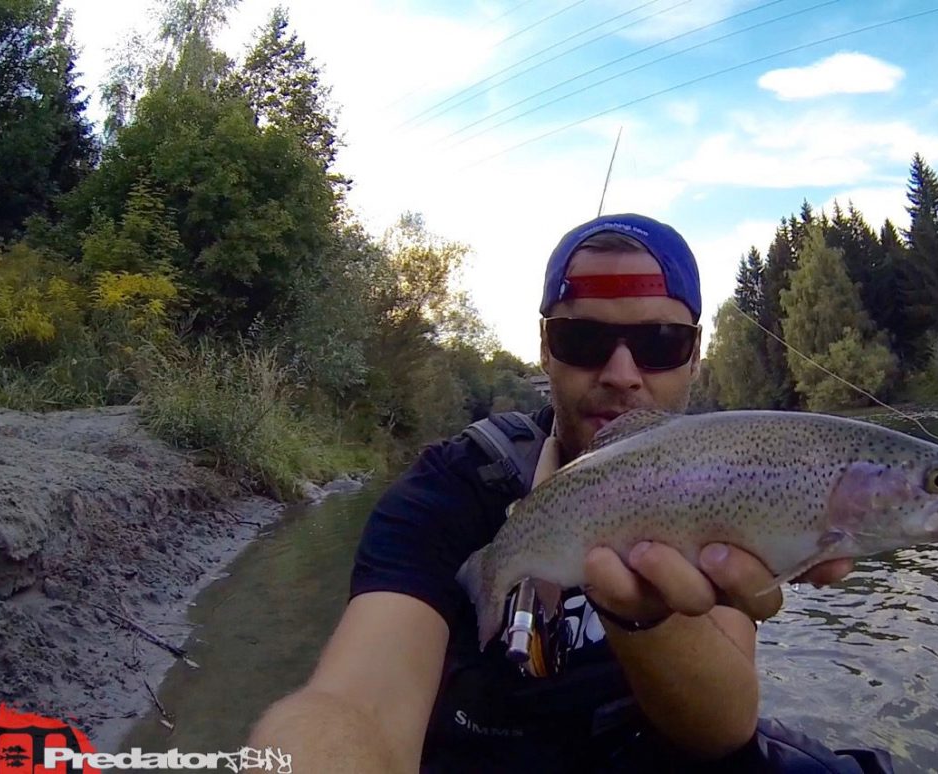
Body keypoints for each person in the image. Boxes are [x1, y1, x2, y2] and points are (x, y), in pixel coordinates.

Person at [247, 213, 894, 773]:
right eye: (583, 340)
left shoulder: (728, 471)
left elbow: (722, 729)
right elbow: (353, 703)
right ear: (545, 349)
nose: (621, 374)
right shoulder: (449, 491)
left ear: (696, 355)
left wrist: (642, 619)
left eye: (659, 344)